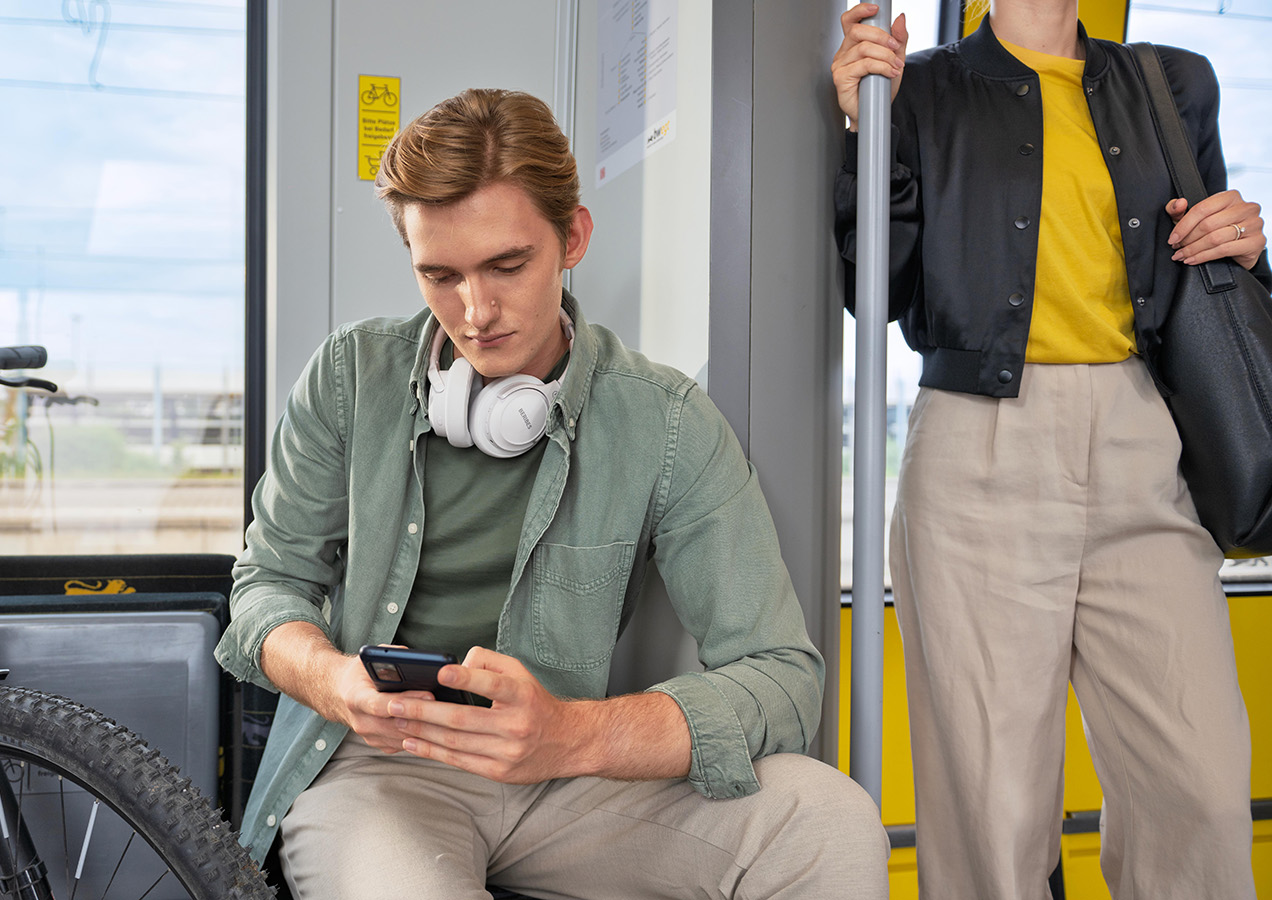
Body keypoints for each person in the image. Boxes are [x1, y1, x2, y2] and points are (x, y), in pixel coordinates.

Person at [215, 87, 889, 899]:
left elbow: (784, 677)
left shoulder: (664, 420)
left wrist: (572, 735)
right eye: (440, 275)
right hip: (379, 773)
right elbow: (265, 588)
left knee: (829, 820)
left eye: (507, 265)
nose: (475, 312)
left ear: (572, 238)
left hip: (569, 774)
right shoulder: (351, 377)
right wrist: (336, 682)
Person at [832, 2, 1269, 898]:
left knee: (1204, 793)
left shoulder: (1173, 82)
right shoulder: (918, 89)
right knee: (991, 820)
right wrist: (860, 127)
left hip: (1146, 440)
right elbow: (874, 287)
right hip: (979, 449)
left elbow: (1215, 277)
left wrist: (1244, 243)